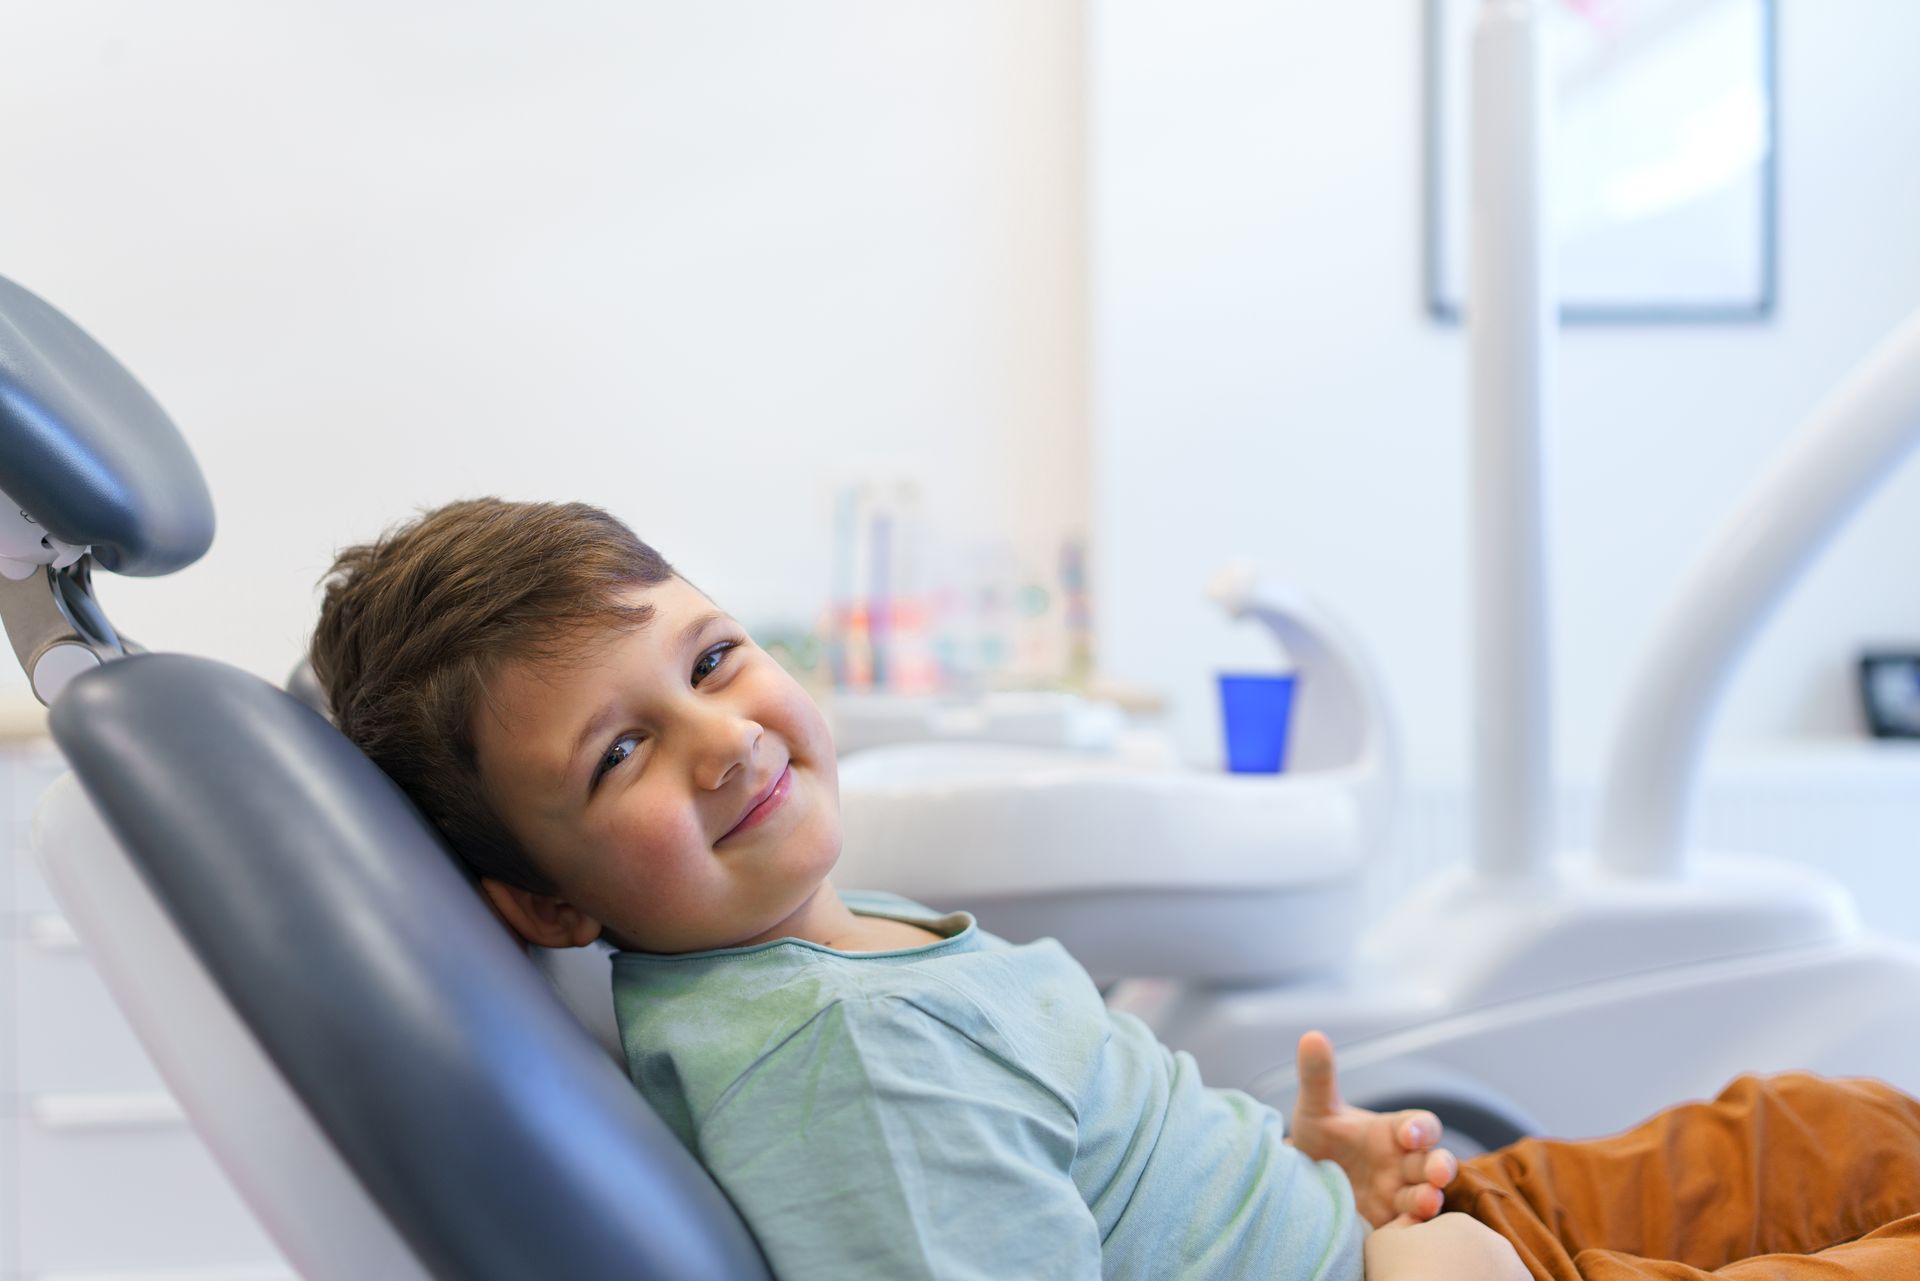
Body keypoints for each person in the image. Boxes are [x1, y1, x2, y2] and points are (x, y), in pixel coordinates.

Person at [310, 497, 1920, 1281]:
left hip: (1425, 1222)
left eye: (714, 657)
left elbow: (1074, 1176)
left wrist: (1281, 1177)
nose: (725, 740)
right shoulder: (834, 1062)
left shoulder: (842, 967)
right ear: (545, 900)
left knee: (1826, 1127)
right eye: (620, 756)